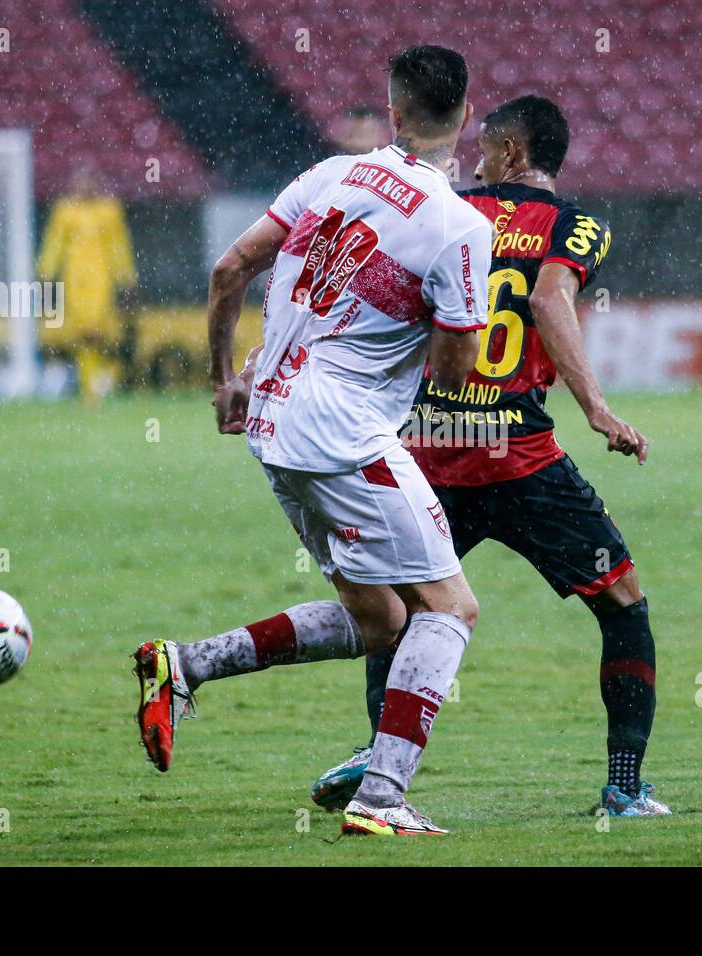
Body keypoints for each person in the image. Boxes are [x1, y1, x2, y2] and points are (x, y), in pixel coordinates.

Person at [133, 45, 493, 837]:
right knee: (450, 609)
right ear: (466, 117)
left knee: (378, 622)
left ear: (393, 114)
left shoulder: (332, 175)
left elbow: (231, 268)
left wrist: (224, 378)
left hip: (270, 416)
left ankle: (185, 665)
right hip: (341, 429)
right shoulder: (460, 225)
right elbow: (461, 363)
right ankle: (382, 798)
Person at [310, 96, 669, 817]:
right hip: (520, 459)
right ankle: (624, 787)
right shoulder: (576, 226)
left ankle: (378, 751)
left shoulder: (439, 208)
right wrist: (596, 407)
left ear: (511, 154)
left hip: (429, 450)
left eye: (484, 147)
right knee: (622, 606)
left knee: (406, 606)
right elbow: (547, 297)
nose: (473, 157)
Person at [35, 168, 138, 403]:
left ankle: (105, 379)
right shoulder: (65, 211)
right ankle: (90, 388)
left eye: (89, 182)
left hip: (102, 278)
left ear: (97, 183)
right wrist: (46, 272)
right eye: (80, 182)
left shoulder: (109, 211)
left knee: (102, 334)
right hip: (75, 279)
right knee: (82, 335)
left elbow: (119, 246)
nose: (85, 187)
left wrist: (126, 277)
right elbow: (54, 244)